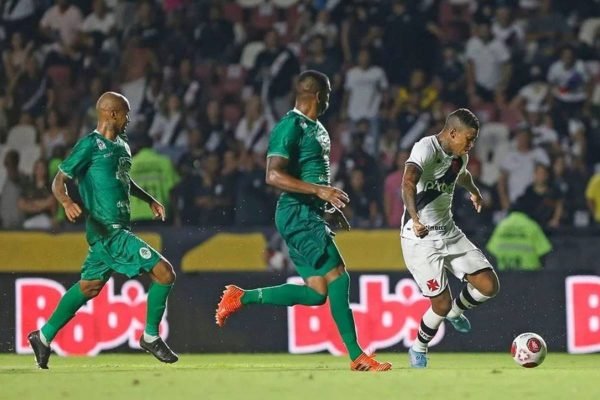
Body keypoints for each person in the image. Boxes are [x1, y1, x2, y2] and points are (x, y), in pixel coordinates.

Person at [215, 70, 392, 372]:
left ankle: (241, 296)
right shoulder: (289, 127)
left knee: (316, 294)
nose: (330, 100)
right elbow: (272, 175)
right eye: (328, 94)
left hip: (309, 212)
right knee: (339, 275)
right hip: (296, 213)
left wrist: (326, 205)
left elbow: (311, 175)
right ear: (318, 95)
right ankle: (357, 355)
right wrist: (319, 191)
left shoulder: (318, 128)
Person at [27, 92, 178, 369]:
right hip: (109, 232)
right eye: (125, 114)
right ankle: (151, 336)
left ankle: (43, 336)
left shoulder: (122, 145)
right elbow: (59, 180)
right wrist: (67, 201)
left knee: (90, 286)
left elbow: (123, 179)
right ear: (111, 114)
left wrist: (149, 200)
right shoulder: (89, 146)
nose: (128, 119)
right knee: (165, 272)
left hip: (115, 229)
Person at [401, 108, 500, 368]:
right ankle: (418, 348)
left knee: (489, 286)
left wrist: (475, 192)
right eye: (468, 139)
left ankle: (457, 311)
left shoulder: (460, 157)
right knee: (440, 304)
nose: (471, 145)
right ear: (452, 133)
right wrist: (415, 217)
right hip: (420, 238)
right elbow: (408, 182)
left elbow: (462, 175)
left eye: (474, 140)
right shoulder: (425, 148)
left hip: (449, 232)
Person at [486, 208, 552, 271]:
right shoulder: (531, 225)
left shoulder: (502, 225)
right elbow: (544, 251)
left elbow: (491, 251)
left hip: (505, 275)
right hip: (530, 276)